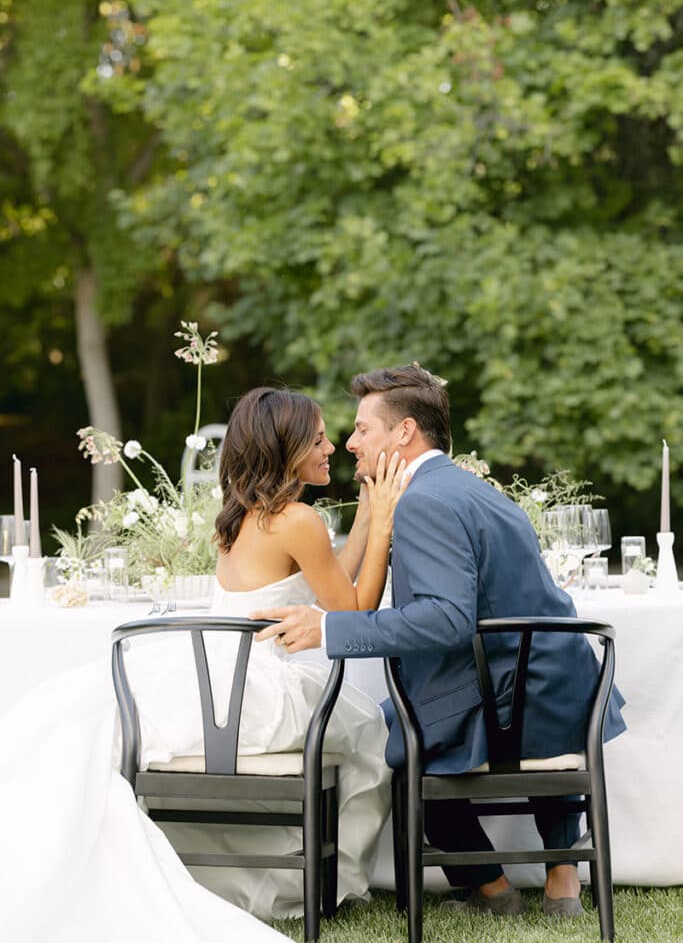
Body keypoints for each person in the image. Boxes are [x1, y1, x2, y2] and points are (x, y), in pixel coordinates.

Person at [0, 386, 405, 942]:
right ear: (286, 450)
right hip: (250, 693)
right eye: (317, 440)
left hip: (217, 681)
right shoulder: (298, 520)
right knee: (370, 728)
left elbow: (332, 584)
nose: (331, 447)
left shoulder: (245, 516)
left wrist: (366, 515)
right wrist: (382, 527)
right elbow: (354, 613)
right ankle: (323, 879)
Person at [252, 364, 627, 918]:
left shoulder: (423, 501)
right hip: (567, 694)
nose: (350, 443)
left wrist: (327, 628)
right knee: (395, 714)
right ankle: (561, 877)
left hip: (511, 707)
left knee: (385, 736)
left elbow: (447, 620)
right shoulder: (476, 490)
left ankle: (491, 889)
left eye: (363, 429)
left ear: (404, 432)